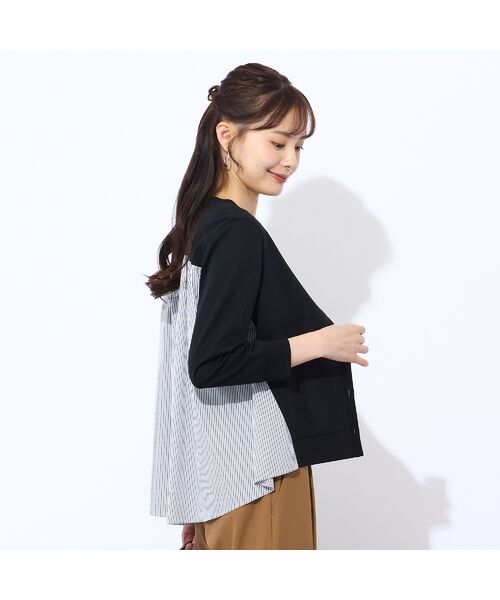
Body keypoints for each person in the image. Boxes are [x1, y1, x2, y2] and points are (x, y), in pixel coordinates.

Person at [145, 62, 369, 550]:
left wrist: (197, 496)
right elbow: (211, 363)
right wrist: (321, 343)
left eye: (299, 147)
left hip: (220, 481)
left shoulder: (201, 226)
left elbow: (185, 375)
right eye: (278, 142)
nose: (290, 160)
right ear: (227, 136)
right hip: (258, 476)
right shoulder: (235, 234)